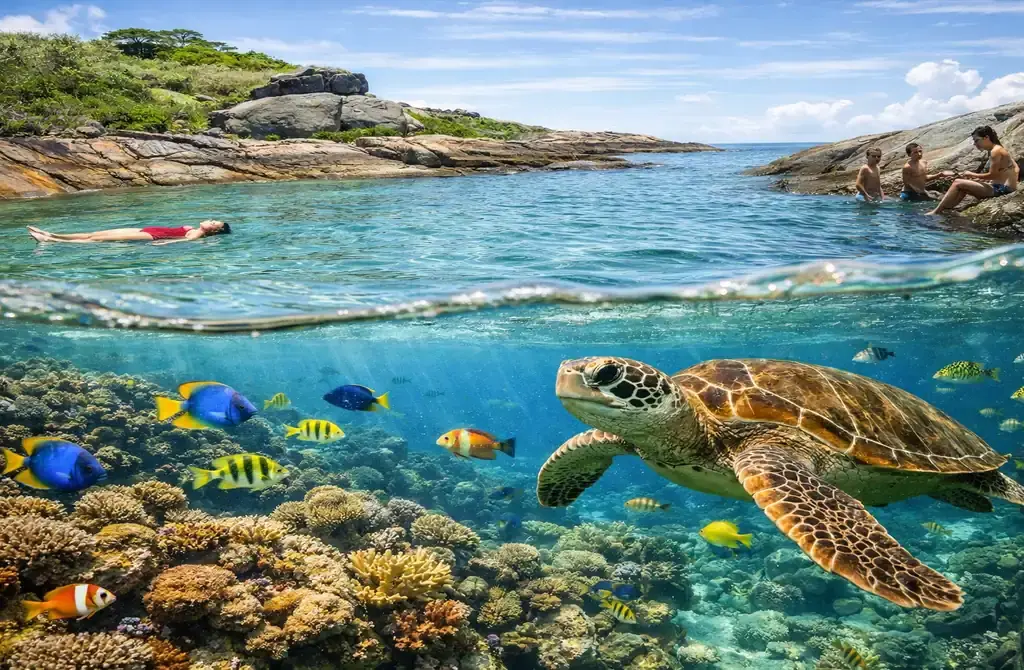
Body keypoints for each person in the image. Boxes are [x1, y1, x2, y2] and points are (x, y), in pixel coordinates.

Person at [928, 126, 1019, 215]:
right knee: (964, 187)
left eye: (976, 140)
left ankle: (936, 211)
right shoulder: (999, 148)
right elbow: (1016, 168)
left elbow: (993, 175)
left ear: (986, 137)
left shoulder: (995, 151)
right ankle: (946, 209)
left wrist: (971, 174)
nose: (975, 144)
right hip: (1004, 187)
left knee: (957, 182)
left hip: (1001, 189)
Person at [27, 220, 231, 245]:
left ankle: (50, 241)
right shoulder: (193, 228)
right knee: (95, 231)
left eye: (214, 222)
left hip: (153, 236)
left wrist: (163, 244)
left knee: (98, 239)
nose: (210, 220)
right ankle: (52, 234)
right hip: (147, 229)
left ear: (215, 230)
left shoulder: (197, 234)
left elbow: (182, 242)